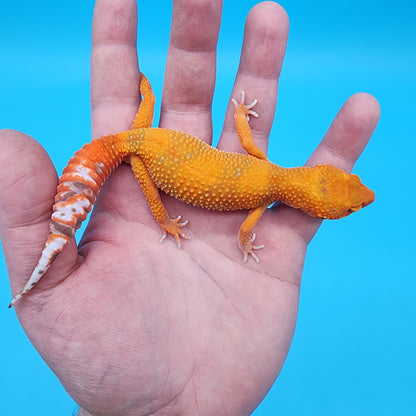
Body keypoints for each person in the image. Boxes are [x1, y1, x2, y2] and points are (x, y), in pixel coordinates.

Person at [0, 0, 380, 415]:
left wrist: (231, 112)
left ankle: (142, 101)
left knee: (140, 115)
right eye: (346, 207)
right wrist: (176, 224)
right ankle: (111, 218)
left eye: (348, 203)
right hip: (140, 155)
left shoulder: (266, 171)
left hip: (146, 141)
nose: (356, 202)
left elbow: (246, 140)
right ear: (314, 200)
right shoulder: (262, 197)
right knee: (142, 177)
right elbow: (243, 234)